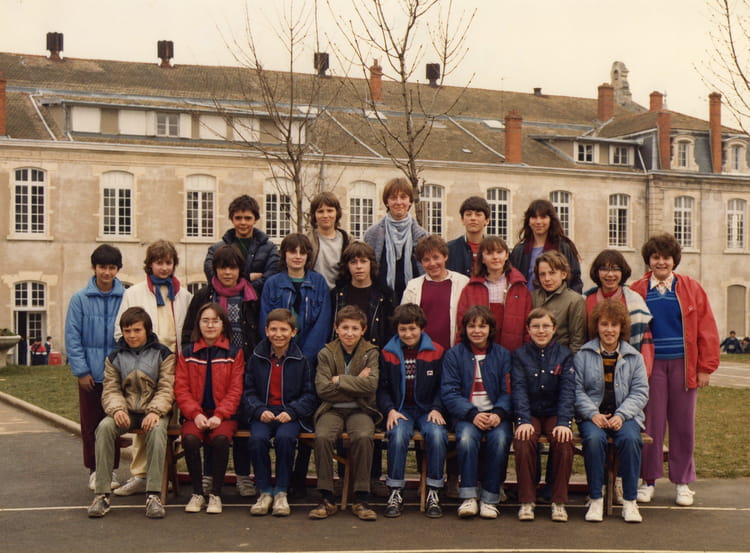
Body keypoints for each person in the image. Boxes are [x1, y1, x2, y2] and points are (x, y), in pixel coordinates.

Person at [630, 233, 720, 507]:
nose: (661, 262)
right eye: (655, 257)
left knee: (683, 426)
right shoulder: (637, 289)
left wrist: (705, 368)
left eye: (666, 258)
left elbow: (706, 328)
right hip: (651, 367)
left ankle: (682, 482)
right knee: (651, 425)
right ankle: (648, 481)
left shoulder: (691, 288)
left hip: (684, 365)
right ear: (649, 260)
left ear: (674, 260)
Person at [113, 239, 192, 497]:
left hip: (175, 370)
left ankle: (165, 473)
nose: (164, 267)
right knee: (144, 422)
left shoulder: (184, 295)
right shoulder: (134, 294)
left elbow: (187, 334)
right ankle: (140, 475)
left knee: (169, 426)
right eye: (159, 262)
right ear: (150, 264)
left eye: (168, 262)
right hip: (143, 370)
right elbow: (120, 332)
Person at [182, 243, 261, 498]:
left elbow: (257, 330)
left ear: (240, 270)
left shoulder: (250, 295)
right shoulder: (204, 296)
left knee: (240, 421)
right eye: (222, 267)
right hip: (209, 361)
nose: (228, 273)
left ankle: (242, 475)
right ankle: (208, 476)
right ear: (214, 269)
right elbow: (189, 330)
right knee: (209, 414)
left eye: (233, 267)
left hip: (242, 363)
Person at [87, 307, 176, 519]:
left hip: (154, 411)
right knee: (104, 427)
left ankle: (153, 495)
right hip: (126, 411)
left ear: (147, 330)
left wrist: (155, 411)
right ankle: (101, 494)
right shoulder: (114, 357)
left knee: (156, 430)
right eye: (127, 331)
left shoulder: (163, 354)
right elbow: (111, 389)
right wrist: (117, 409)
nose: (132, 335)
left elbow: (167, 388)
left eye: (137, 330)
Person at [574, 300, 649, 523]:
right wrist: (592, 413)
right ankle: (596, 498)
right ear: (596, 326)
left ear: (621, 327)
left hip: (624, 416)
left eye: (614, 325)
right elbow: (576, 390)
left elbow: (640, 392)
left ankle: (630, 501)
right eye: (604, 324)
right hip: (593, 416)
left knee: (631, 439)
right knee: (594, 440)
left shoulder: (634, 357)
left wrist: (621, 415)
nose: (609, 330)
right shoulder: (583, 355)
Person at [309, 306, 380, 521]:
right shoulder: (326, 353)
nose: (349, 333)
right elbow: (323, 390)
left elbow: (371, 386)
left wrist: (339, 380)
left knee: (363, 436)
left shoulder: (371, 352)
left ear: (363, 330)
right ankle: (326, 496)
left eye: (355, 328)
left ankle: (361, 497)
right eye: (345, 328)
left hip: (361, 409)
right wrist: (357, 383)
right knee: (322, 437)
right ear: (336, 328)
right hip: (331, 409)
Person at [441, 305, 513, 519]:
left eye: (482, 326)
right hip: (467, 416)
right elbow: (449, 392)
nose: (477, 331)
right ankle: (469, 496)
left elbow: (509, 391)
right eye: (472, 326)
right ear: (464, 329)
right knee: (465, 439)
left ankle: (490, 497)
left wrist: (499, 413)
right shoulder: (454, 355)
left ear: (491, 329)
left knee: (500, 440)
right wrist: (472, 414)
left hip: (496, 415)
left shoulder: (502, 355)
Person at [65, 244, 125, 491]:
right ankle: (94, 470)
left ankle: (111, 469)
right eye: (102, 267)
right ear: (94, 267)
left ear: (118, 269)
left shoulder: (125, 297)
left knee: (114, 423)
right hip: (90, 374)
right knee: (90, 424)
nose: (106, 272)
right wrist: (81, 371)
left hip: (117, 375)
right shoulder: (79, 299)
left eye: (112, 267)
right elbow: (72, 337)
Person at [245, 309, 317, 516]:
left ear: (293, 332)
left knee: (285, 439)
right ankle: (264, 491)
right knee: (258, 440)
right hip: (263, 411)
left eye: (284, 330)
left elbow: (309, 395)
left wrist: (293, 411)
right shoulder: (256, 357)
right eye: (274, 329)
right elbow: (248, 391)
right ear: (266, 330)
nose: (278, 334)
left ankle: (281, 491)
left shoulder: (302, 360)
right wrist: (259, 410)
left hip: (289, 413)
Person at [378, 304, 447, 518]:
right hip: (401, 409)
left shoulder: (437, 351)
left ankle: (433, 491)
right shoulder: (387, 352)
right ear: (397, 330)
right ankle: (395, 491)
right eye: (403, 329)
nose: (408, 334)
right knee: (398, 435)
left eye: (412, 329)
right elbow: (382, 388)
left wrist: (437, 408)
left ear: (422, 328)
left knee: (437, 435)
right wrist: (389, 410)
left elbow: (443, 386)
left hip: (427, 410)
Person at [175, 303, 244, 515]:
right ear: (198, 324)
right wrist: (195, 414)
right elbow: (181, 388)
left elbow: (236, 389)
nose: (210, 325)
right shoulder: (188, 353)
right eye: (205, 321)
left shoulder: (234, 353)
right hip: (195, 414)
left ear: (223, 324)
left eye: (215, 321)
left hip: (224, 415)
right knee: (190, 440)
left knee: (221, 440)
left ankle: (216, 494)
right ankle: (197, 493)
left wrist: (220, 415)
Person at [511, 308, 575, 522]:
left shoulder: (565, 355)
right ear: (528, 329)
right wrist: (523, 420)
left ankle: (558, 501)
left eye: (546, 326)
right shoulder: (519, 355)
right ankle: (527, 500)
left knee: (564, 440)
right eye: (536, 326)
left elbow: (568, 391)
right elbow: (518, 389)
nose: (541, 331)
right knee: (523, 439)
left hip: (554, 412)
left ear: (554, 329)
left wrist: (564, 422)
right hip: (530, 412)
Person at [260, 233, 331, 363]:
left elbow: (322, 323)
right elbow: (265, 319)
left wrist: (306, 356)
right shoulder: (272, 284)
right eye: (293, 252)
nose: (298, 256)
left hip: (310, 357)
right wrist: (278, 350)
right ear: (284, 254)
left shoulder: (319, 283)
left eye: (302, 253)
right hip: (278, 355)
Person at [456, 236, 531, 352]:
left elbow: (528, 325)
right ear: (482, 258)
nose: (495, 257)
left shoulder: (520, 288)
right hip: (479, 352)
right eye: (489, 253)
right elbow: (462, 323)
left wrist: (525, 353)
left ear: (506, 255)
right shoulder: (470, 289)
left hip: (513, 351)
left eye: (499, 252)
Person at [584, 249, 654, 370]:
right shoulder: (586, 301)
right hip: (593, 367)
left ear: (623, 272)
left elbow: (645, 341)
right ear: (597, 272)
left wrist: (644, 372)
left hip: (628, 367)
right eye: (604, 269)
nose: (610, 274)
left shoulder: (634, 302)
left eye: (616, 269)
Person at [364, 177, 428, 303]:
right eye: (393, 198)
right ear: (387, 202)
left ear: (410, 201)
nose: (398, 202)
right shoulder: (372, 234)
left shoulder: (422, 236)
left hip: (413, 301)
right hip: (381, 302)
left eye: (403, 197)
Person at [402, 234, 469, 349]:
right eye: (426, 260)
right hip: (423, 351)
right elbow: (405, 320)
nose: (432, 263)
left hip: (453, 350)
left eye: (436, 257)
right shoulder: (413, 286)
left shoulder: (462, 283)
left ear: (445, 256)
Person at [204, 194, 279, 294]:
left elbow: (271, 277)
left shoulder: (270, 249)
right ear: (232, 219)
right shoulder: (216, 249)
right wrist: (248, 277)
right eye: (238, 218)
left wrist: (244, 289)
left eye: (248, 218)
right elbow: (212, 275)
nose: (243, 222)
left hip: (257, 301)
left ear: (255, 219)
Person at [510, 199, 582, 293]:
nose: (538, 222)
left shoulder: (564, 248)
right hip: (527, 300)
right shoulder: (519, 251)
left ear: (551, 220)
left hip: (557, 301)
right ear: (528, 220)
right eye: (534, 217)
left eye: (543, 217)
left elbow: (575, 281)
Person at [331, 241, 394, 348]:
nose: (359, 266)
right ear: (347, 265)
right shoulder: (337, 295)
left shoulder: (385, 296)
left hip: (375, 353)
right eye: (353, 262)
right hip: (342, 353)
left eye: (363, 261)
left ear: (371, 264)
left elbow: (389, 332)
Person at [531, 251, 586, 353]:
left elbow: (577, 340)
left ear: (563, 274)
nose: (547, 279)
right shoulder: (532, 297)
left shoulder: (575, 300)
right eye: (542, 274)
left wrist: (570, 361)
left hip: (561, 357)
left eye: (552, 273)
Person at [307, 191, 352, 290]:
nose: (325, 215)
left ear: (337, 213)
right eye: (320, 211)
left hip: (340, 293)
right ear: (314, 215)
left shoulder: (348, 240)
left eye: (330, 211)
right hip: (314, 292)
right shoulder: (307, 240)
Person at [446, 196, 491, 277]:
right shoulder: (449, 249)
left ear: (487, 220)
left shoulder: (496, 249)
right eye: (468, 214)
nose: (473, 218)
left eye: (478, 215)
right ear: (462, 220)